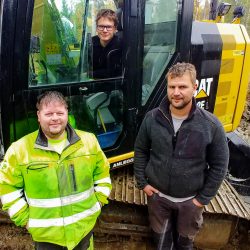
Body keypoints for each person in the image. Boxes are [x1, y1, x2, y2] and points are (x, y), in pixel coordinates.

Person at [134, 62, 229, 250]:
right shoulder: (152, 118)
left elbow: (219, 166)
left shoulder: (211, 125)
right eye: (172, 87)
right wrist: (143, 183)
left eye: (182, 87)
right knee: (161, 243)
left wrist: (202, 199)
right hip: (158, 199)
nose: (176, 92)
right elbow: (140, 150)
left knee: (185, 243)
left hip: (190, 202)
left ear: (195, 88)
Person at [0, 91, 112, 250]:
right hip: (47, 239)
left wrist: (98, 203)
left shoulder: (89, 141)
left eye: (60, 113)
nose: (55, 118)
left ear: (67, 113)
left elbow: (102, 175)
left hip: (84, 231)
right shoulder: (19, 150)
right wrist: (26, 221)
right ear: (39, 116)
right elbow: (8, 190)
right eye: (49, 114)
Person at [92, 9, 122, 79]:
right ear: (97, 28)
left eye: (109, 27)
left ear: (115, 29)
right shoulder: (90, 42)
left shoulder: (120, 46)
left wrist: (89, 74)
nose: (105, 30)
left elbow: (113, 72)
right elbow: (82, 67)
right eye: (101, 26)